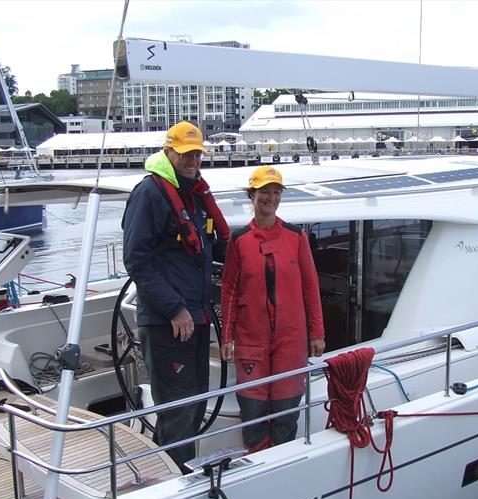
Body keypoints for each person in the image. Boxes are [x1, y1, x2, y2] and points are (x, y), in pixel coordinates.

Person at [122, 121, 230, 472]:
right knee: (179, 408)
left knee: (194, 404)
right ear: (168, 152)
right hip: (168, 324)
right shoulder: (149, 194)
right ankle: (174, 485)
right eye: (185, 154)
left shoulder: (193, 195)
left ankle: (170, 476)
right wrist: (174, 309)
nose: (192, 160)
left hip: (195, 320)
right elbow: (136, 260)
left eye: (197, 153)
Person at [220, 166, 325, 452]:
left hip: (291, 341)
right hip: (251, 340)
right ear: (252, 195)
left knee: (285, 410)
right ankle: (256, 463)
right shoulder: (239, 241)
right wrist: (226, 337)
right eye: (265, 192)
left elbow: (310, 287)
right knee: (252, 411)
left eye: (276, 192)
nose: (271, 198)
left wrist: (317, 333)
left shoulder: (295, 236)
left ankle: (282, 460)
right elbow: (228, 290)